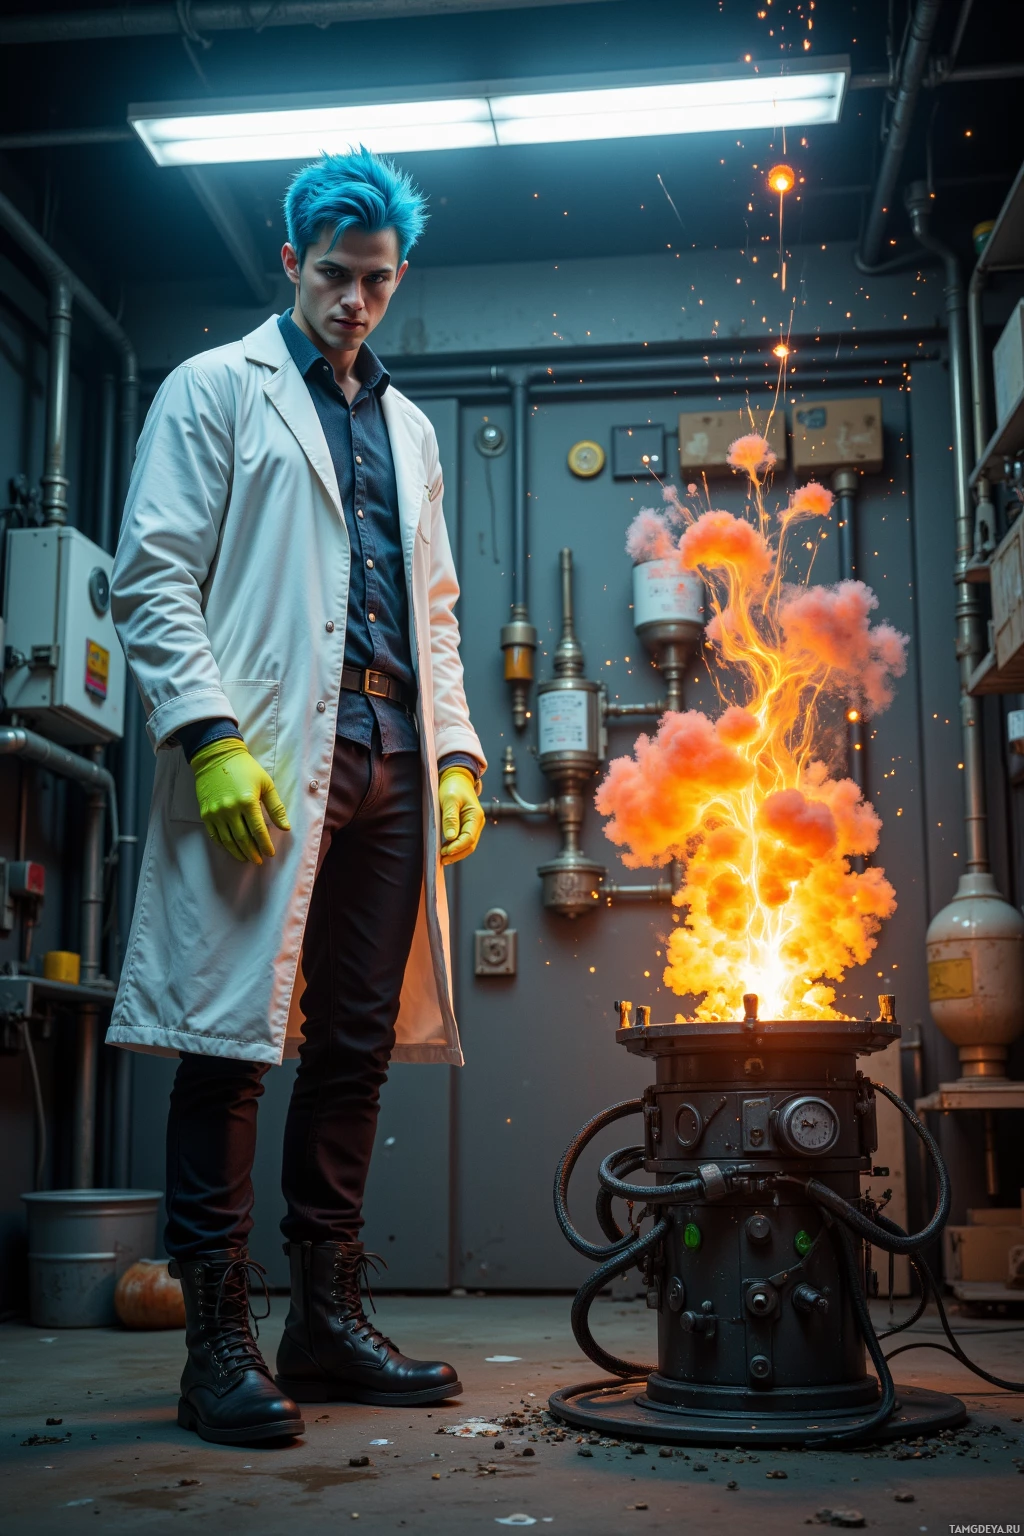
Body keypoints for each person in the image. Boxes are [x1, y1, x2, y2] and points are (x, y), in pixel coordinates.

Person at [107, 147, 486, 1446]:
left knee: (354, 1046)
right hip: (265, 762)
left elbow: (434, 611)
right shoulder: (215, 390)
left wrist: (458, 755)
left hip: (390, 754)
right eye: (335, 276)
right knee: (228, 1041)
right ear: (290, 262)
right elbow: (150, 576)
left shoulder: (413, 427)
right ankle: (219, 1340)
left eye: (379, 281)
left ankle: (325, 1320)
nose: (357, 304)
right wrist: (209, 735)